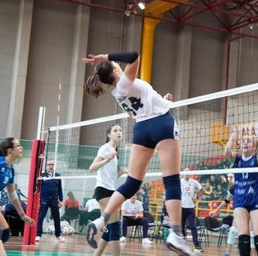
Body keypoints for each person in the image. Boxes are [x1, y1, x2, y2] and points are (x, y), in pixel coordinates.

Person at [83, 51, 192, 255]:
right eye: (115, 64)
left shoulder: (118, 92)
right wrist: (104, 57)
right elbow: (134, 55)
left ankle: (101, 220)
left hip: (142, 130)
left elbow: (143, 104)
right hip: (161, 123)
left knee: (132, 183)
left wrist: (162, 100)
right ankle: (177, 235)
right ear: (116, 70)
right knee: (172, 179)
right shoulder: (124, 82)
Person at [222, 125, 258, 256]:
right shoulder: (237, 160)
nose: (245, 143)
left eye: (249, 141)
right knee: (243, 235)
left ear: (254, 147)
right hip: (240, 200)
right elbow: (226, 150)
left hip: (255, 200)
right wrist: (235, 134)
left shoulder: (256, 159)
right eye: (243, 141)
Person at [88, 123, 128, 256]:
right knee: (115, 226)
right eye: (115, 130)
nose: (119, 132)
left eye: (120, 130)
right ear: (109, 135)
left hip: (110, 189)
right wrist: (106, 159)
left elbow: (112, 177)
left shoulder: (116, 153)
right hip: (103, 190)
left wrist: (122, 171)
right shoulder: (105, 148)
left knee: (109, 228)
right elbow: (92, 167)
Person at [35, 160, 64, 242]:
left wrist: (61, 200)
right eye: (49, 164)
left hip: (54, 200)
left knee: (56, 218)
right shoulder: (42, 176)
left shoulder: (57, 176)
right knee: (41, 217)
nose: (51, 166)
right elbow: (38, 188)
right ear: (46, 166)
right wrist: (38, 198)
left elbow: (60, 189)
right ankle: (38, 235)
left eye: (52, 165)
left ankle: (58, 235)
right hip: (44, 199)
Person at [180, 168, 205, 253]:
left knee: (193, 226)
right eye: (185, 172)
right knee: (181, 226)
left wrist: (196, 197)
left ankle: (197, 246)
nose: (187, 174)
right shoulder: (180, 182)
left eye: (188, 172)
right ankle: (183, 244)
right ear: (183, 173)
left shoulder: (194, 182)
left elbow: (202, 191)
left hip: (190, 207)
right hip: (181, 207)